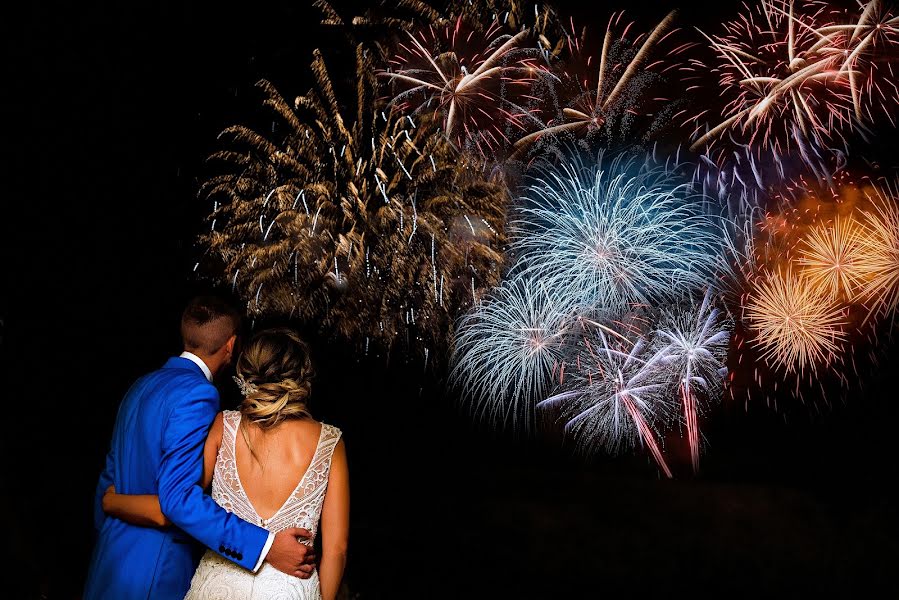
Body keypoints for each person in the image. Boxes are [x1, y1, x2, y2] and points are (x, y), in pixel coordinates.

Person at [84, 297, 318, 600]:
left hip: (108, 562)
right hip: (156, 572)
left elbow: (108, 482)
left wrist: (111, 515)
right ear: (231, 345)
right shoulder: (199, 394)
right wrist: (265, 546)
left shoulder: (139, 386)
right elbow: (177, 498)